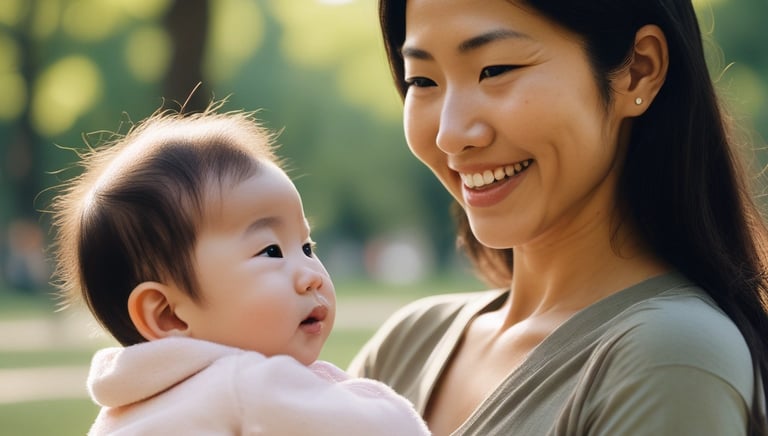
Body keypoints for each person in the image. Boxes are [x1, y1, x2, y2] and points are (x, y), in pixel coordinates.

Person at [348, 0, 768, 434]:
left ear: (639, 69)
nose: (450, 134)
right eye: (422, 80)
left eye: (495, 70)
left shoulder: (672, 357)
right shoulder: (407, 346)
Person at [50, 103, 431, 436]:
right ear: (168, 315)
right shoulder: (249, 387)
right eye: (270, 251)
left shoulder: (124, 413)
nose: (311, 275)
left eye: (306, 247)